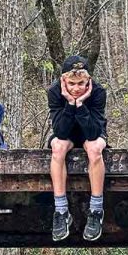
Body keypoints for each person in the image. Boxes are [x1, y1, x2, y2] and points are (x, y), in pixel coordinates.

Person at [48, 55, 107, 242]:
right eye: (71, 83)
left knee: (94, 148)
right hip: (67, 132)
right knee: (57, 147)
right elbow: (60, 131)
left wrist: (80, 104)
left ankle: (96, 209)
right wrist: (69, 103)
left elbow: (93, 132)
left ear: (88, 80)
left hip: (91, 131)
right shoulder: (54, 92)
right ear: (63, 81)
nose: (76, 88)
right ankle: (61, 211)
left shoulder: (98, 92)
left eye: (81, 83)